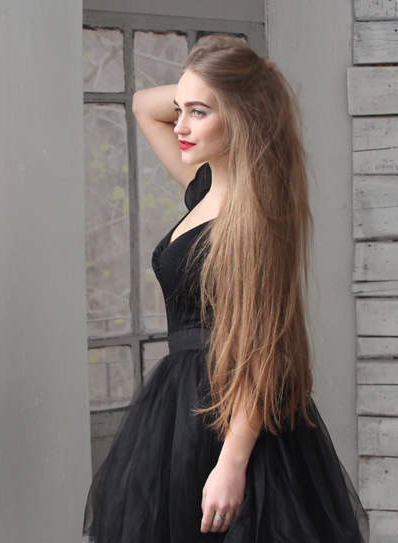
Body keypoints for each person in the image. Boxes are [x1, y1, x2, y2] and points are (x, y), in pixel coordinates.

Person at [82, 34, 370, 543]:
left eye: (198, 113)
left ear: (239, 115)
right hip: (182, 411)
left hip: (234, 414)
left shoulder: (256, 213)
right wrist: (231, 82)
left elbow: (264, 347)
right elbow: (143, 105)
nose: (181, 125)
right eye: (181, 110)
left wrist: (232, 463)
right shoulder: (204, 186)